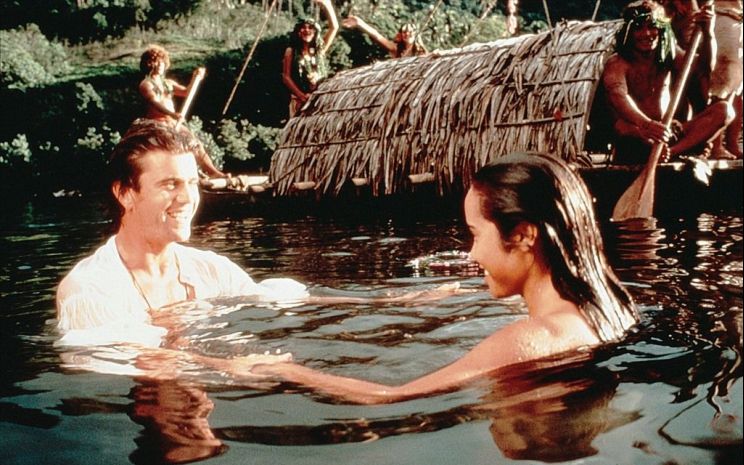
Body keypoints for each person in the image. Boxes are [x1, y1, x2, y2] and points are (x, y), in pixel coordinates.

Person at [238, 152, 640, 404]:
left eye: (475, 234)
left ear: (522, 235)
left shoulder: (530, 338)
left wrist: (282, 371)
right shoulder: (612, 308)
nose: (472, 254)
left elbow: (390, 397)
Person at [601, 0, 733, 165]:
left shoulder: (668, 55)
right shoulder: (617, 63)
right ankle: (661, 151)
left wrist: (708, 34)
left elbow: (704, 67)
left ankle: (670, 153)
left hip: (667, 133)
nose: (646, 34)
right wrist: (647, 125)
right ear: (628, 33)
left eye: (652, 27)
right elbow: (618, 97)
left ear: (661, 29)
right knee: (623, 128)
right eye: (638, 28)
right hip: (638, 133)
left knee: (725, 110)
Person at [663, 0, 742, 159]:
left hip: (734, 17)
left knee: (736, 81)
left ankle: (725, 143)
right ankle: (714, 144)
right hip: (719, 15)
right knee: (720, 78)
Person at [138, 44, 225, 177]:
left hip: (172, 122)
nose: (161, 65)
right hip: (157, 123)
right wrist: (172, 114)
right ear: (149, 63)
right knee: (168, 150)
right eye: (157, 62)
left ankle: (213, 172)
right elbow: (154, 102)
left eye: (162, 62)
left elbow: (186, 92)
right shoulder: (146, 84)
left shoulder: (168, 83)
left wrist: (196, 78)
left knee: (194, 143)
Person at [282, 0, 339, 117]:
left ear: (315, 32)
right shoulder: (291, 51)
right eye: (303, 28)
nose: (307, 30)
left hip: (321, 98)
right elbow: (286, 77)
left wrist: (327, 5)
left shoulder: (320, 51)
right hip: (299, 100)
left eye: (310, 27)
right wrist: (302, 96)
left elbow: (334, 27)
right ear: (298, 32)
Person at [341, 15, 428, 58]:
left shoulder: (420, 52)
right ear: (401, 35)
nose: (407, 34)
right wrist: (360, 23)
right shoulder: (396, 49)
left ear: (416, 34)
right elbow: (377, 36)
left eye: (410, 32)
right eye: (404, 32)